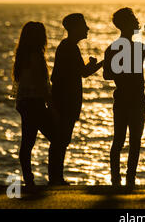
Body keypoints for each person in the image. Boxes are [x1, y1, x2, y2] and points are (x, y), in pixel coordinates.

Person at [103, 7, 145, 187]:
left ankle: (119, 178)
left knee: (121, 141)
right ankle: (126, 178)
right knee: (130, 141)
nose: (137, 22)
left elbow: (107, 74)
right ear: (126, 24)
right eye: (134, 20)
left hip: (126, 99)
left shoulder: (114, 48)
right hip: (133, 99)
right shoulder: (134, 48)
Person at [50, 13, 103, 185]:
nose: (87, 28)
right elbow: (82, 72)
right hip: (65, 102)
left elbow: (80, 71)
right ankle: (55, 179)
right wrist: (102, 63)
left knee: (61, 140)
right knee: (60, 140)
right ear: (74, 28)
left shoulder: (69, 46)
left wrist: (95, 64)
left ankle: (56, 177)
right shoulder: (69, 47)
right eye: (84, 25)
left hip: (65, 101)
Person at [12, 21, 57, 188]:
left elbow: (19, 84)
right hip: (34, 102)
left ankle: (29, 178)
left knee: (28, 142)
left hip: (24, 102)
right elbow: (41, 84)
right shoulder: (36, 55)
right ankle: (51, 177)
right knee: (56, 138)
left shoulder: (22, 56)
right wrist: (51, 106)